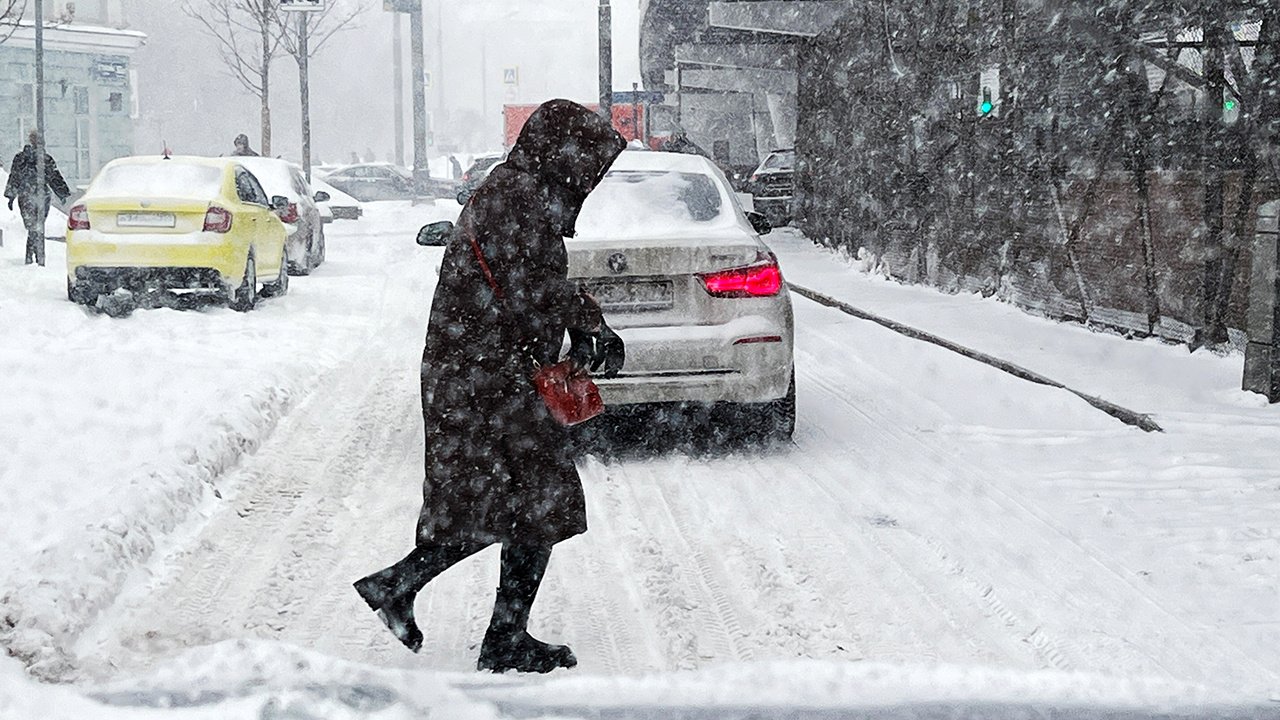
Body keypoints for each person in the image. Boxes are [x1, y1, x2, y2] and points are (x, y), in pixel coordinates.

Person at [353, 99, 626, 674]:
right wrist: (588, 323)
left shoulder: (515, 193)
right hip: (482, 381)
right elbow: (531, 291)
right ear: (564, 155)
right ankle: (491, 633)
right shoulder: (518, 199)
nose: (589, 182)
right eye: (588, 166)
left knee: (506, 504)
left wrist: (577, 322)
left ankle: (405, 589)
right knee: (532, 502)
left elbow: (528, 285)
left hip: (480, 375)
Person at [5, 131, 70, 267]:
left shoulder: (21, 158)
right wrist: (62, 193)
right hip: (42, 196)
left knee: (32, 227)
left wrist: (11, 196)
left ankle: (32, 257)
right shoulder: (45, 159)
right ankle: (38, 257)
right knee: (38, 226)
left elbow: (14, 177)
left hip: (25, 196)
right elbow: (54, 177)